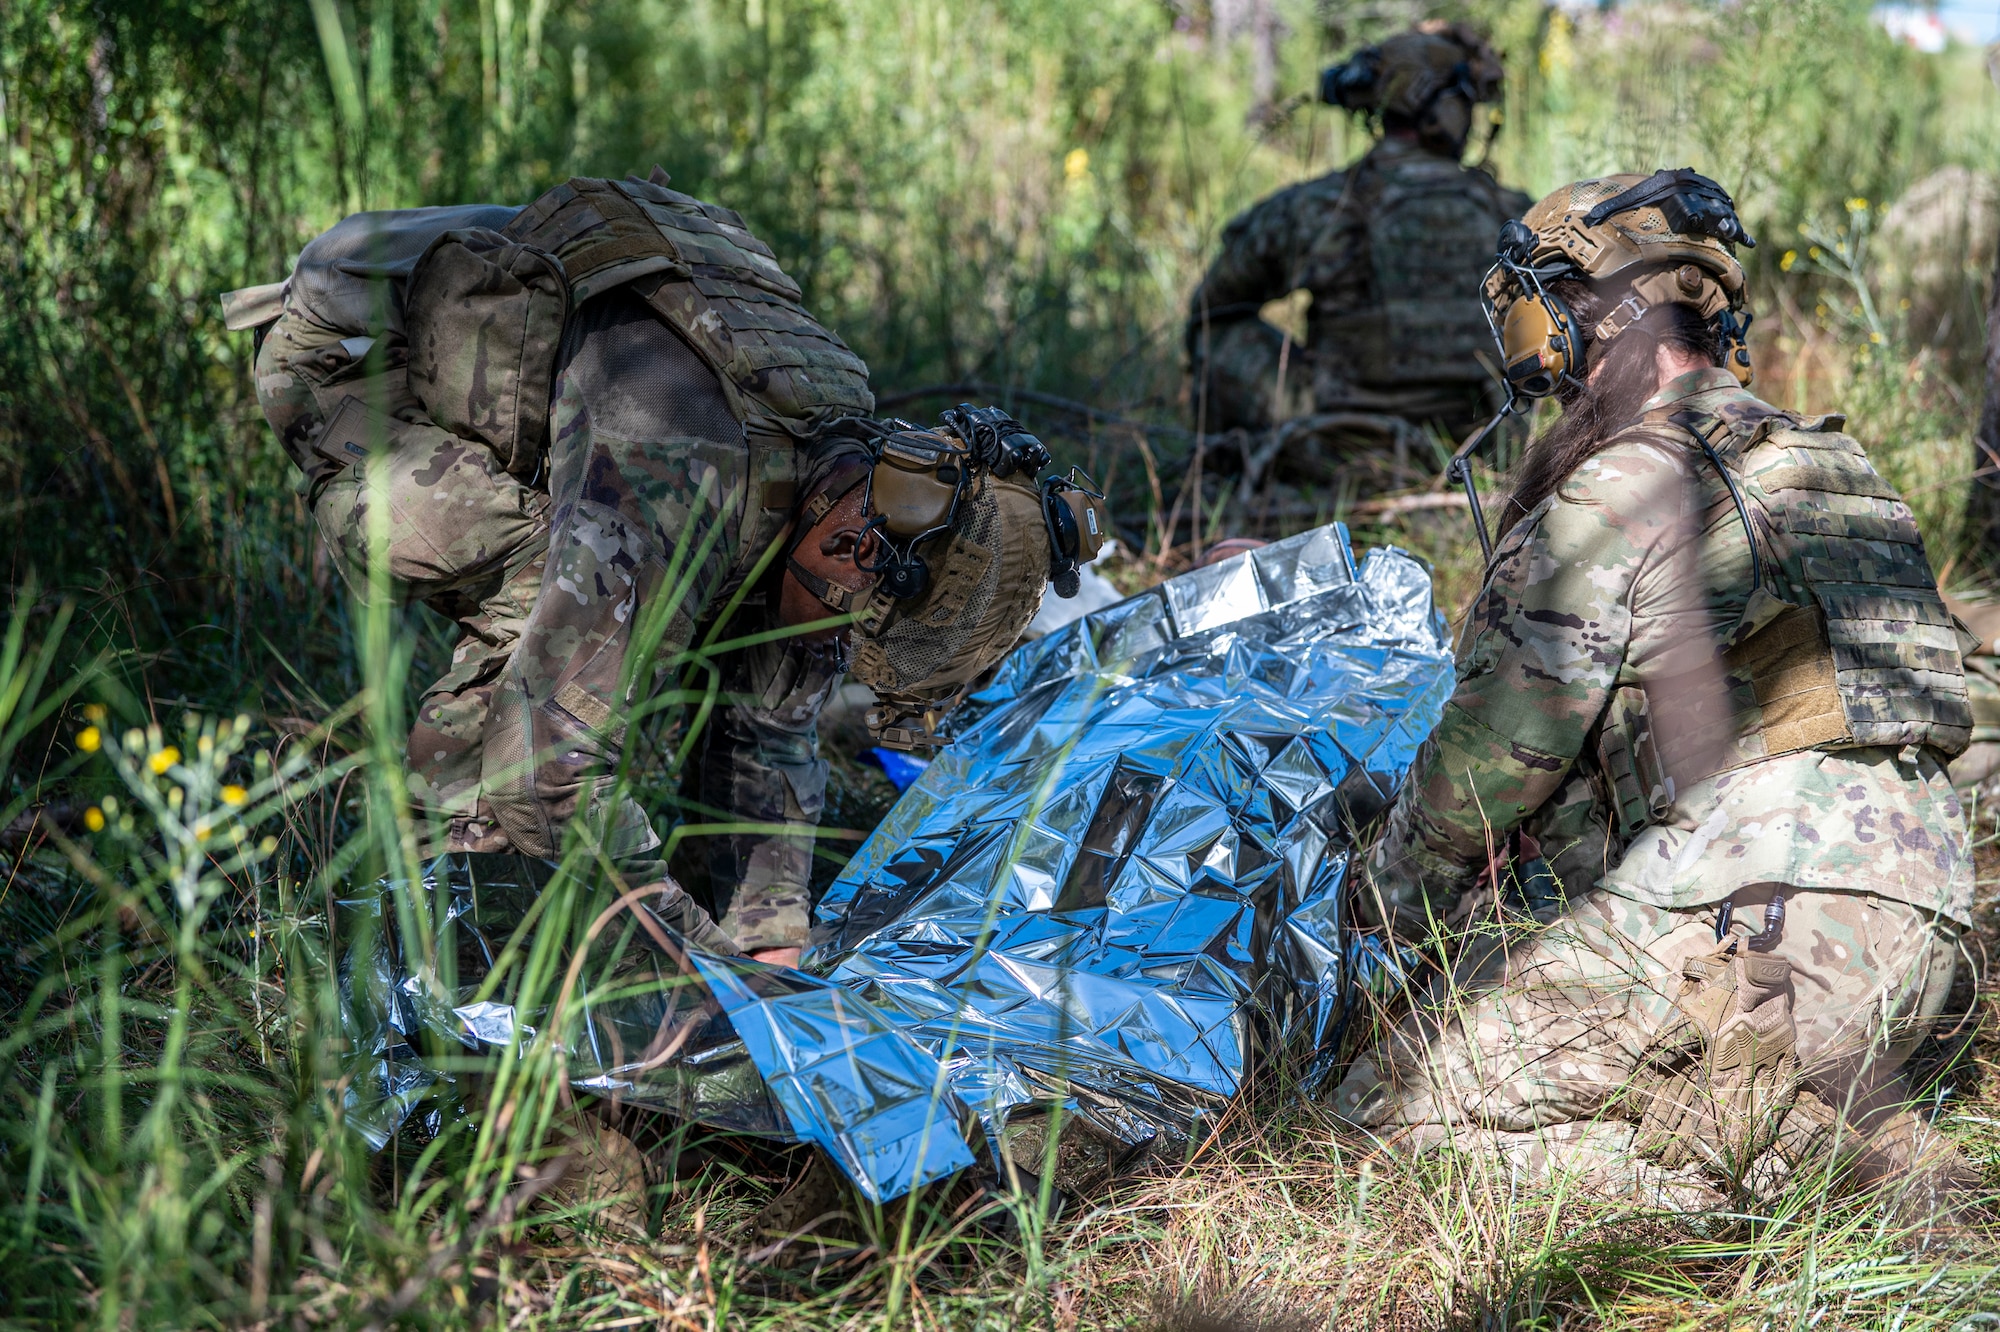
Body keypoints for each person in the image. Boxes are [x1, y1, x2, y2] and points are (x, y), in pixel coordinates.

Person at [231, 171, 1091, 966]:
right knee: (540, 643)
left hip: (575, 421)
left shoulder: (861, 483)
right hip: (355, 366)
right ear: (854, 541)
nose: (834, 657)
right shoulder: (684, 469)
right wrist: (697, 966)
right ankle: (428, 946)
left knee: (732, 616)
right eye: (848, 633)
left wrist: (771, 940)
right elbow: (544, 766)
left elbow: (775, 719)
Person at [1330, 170, 1977, 1207]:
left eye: (1524, 311)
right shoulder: (1827, 464)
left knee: (1383, 1122)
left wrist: (1379, 904)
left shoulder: (1617, 483)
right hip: (1921, 929)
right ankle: (1801, 1107)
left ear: (1573, 314)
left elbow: (1487, 769)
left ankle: (1794, 1165)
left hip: (1758, 925)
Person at [1185, 21, 1530, 491]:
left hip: (1334, 450)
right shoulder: (1514, 215)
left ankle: (1221, 480)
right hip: (1477, 453)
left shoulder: (1316, 207)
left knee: (1217, 335)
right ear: (1447, 109)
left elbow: (1214, 305)